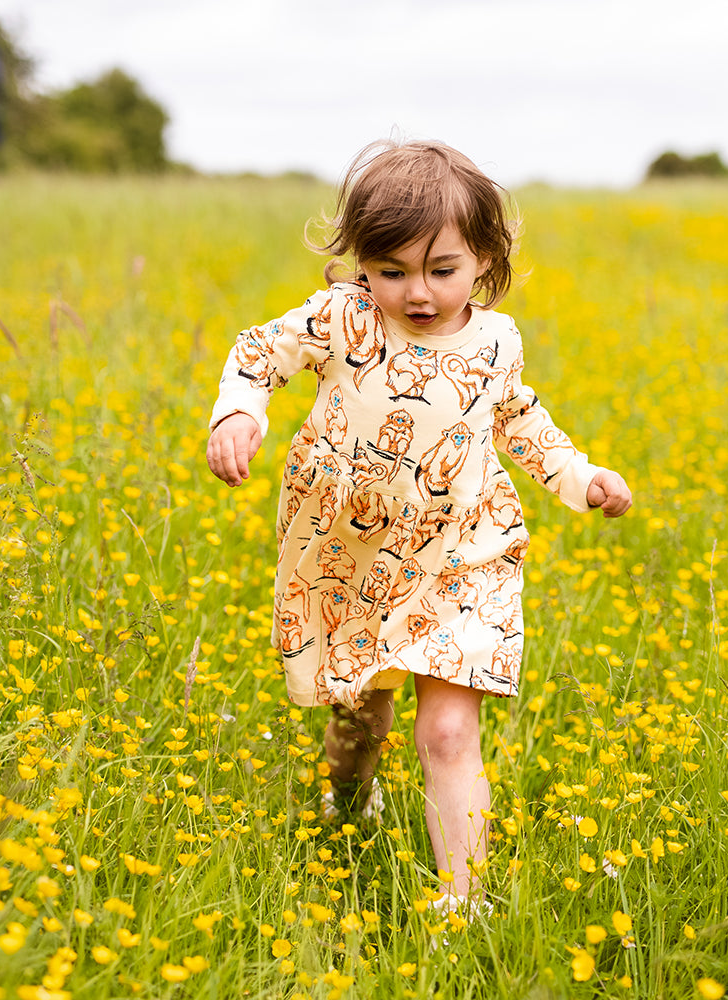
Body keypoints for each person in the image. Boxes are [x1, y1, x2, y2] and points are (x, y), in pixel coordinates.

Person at [206, 139, 632, 912]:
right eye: (391, 270)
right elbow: (257, 354)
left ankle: (462, 902)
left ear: (484, 261)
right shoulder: (345, 318)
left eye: (441, 269)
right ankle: (346, 798)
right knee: (359, 715)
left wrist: (583, 477)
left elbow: (521, 422)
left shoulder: (496, 342)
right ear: (361, 264)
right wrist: (239, 411)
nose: (418, 291)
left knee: (444, 732)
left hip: (464, 555)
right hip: (354, 557)